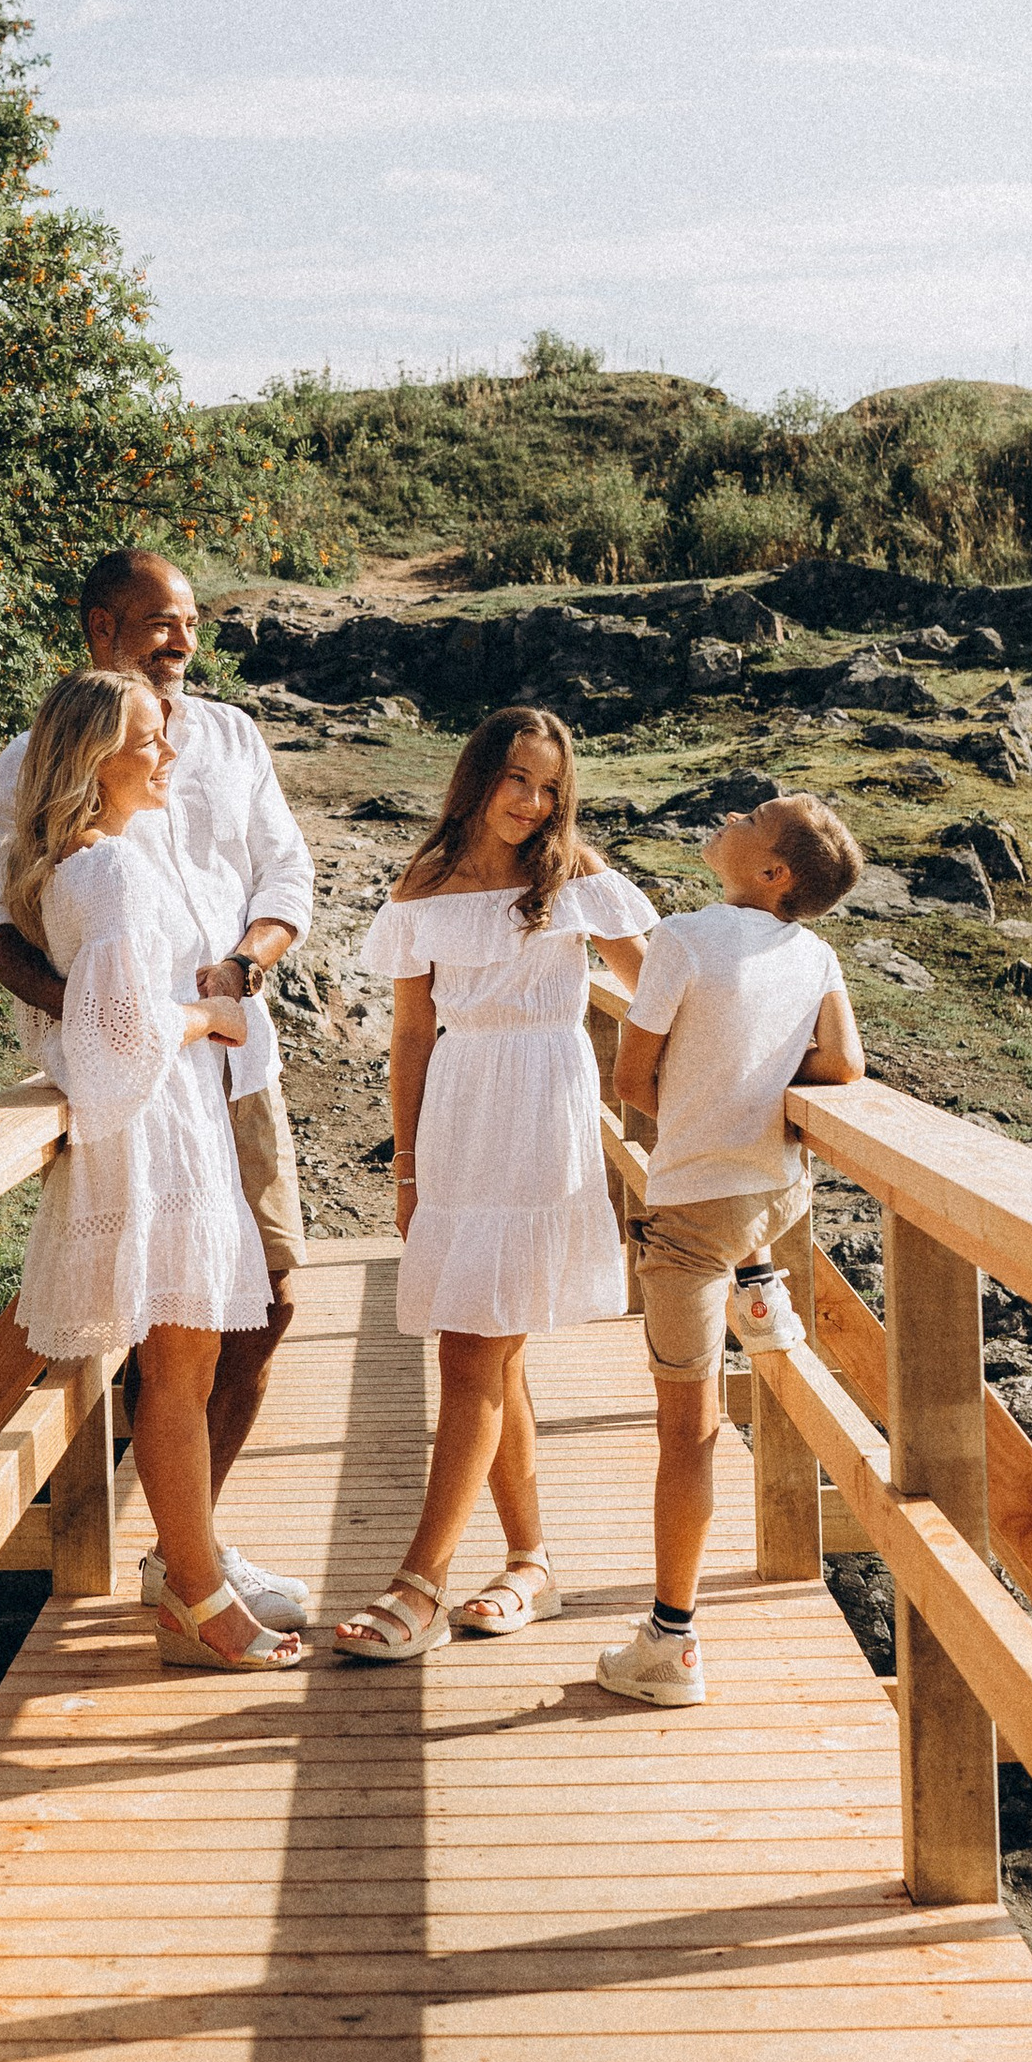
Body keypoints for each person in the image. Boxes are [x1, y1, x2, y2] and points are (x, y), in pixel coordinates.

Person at [0, 548, 317, 1632]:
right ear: (99, 629)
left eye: (191, 620)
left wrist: (247, 968)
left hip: (238, 1073)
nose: (181, 639)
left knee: (263, 1302)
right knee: (164, 1318)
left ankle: (190, 1549)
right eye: (157, 621)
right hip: (143, 1088)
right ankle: (185, 1570)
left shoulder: (225, 738)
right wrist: (102, 1010)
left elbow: (285, 875)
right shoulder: (35, 759)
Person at [334, 706, 655, 1661]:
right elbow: (407, 1034)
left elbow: (660, 981)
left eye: (551, 787)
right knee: (492, 1347)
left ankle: (418, 1585)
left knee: (472, 1351)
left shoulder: (576, 875)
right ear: (479, 775)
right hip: (460, 1117)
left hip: (542, 1113)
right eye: (518, 778)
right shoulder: (424, 882)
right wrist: (405, 1163)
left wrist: (758, 1044)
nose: (532, 802)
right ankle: (530, 1566)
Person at [595, 793, 869, 1709]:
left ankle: (670, 1643)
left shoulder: (684, 938)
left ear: (771, 871)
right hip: (777, 1194)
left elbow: (632, 1081)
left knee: (689, 1439)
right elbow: (844, 1067)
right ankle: (762, 1281)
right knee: (749, 1236)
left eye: (753, 815)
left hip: (692, 1215)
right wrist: (761, 1084)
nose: (733, 813)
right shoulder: (816, 951)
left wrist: (705, 1107)